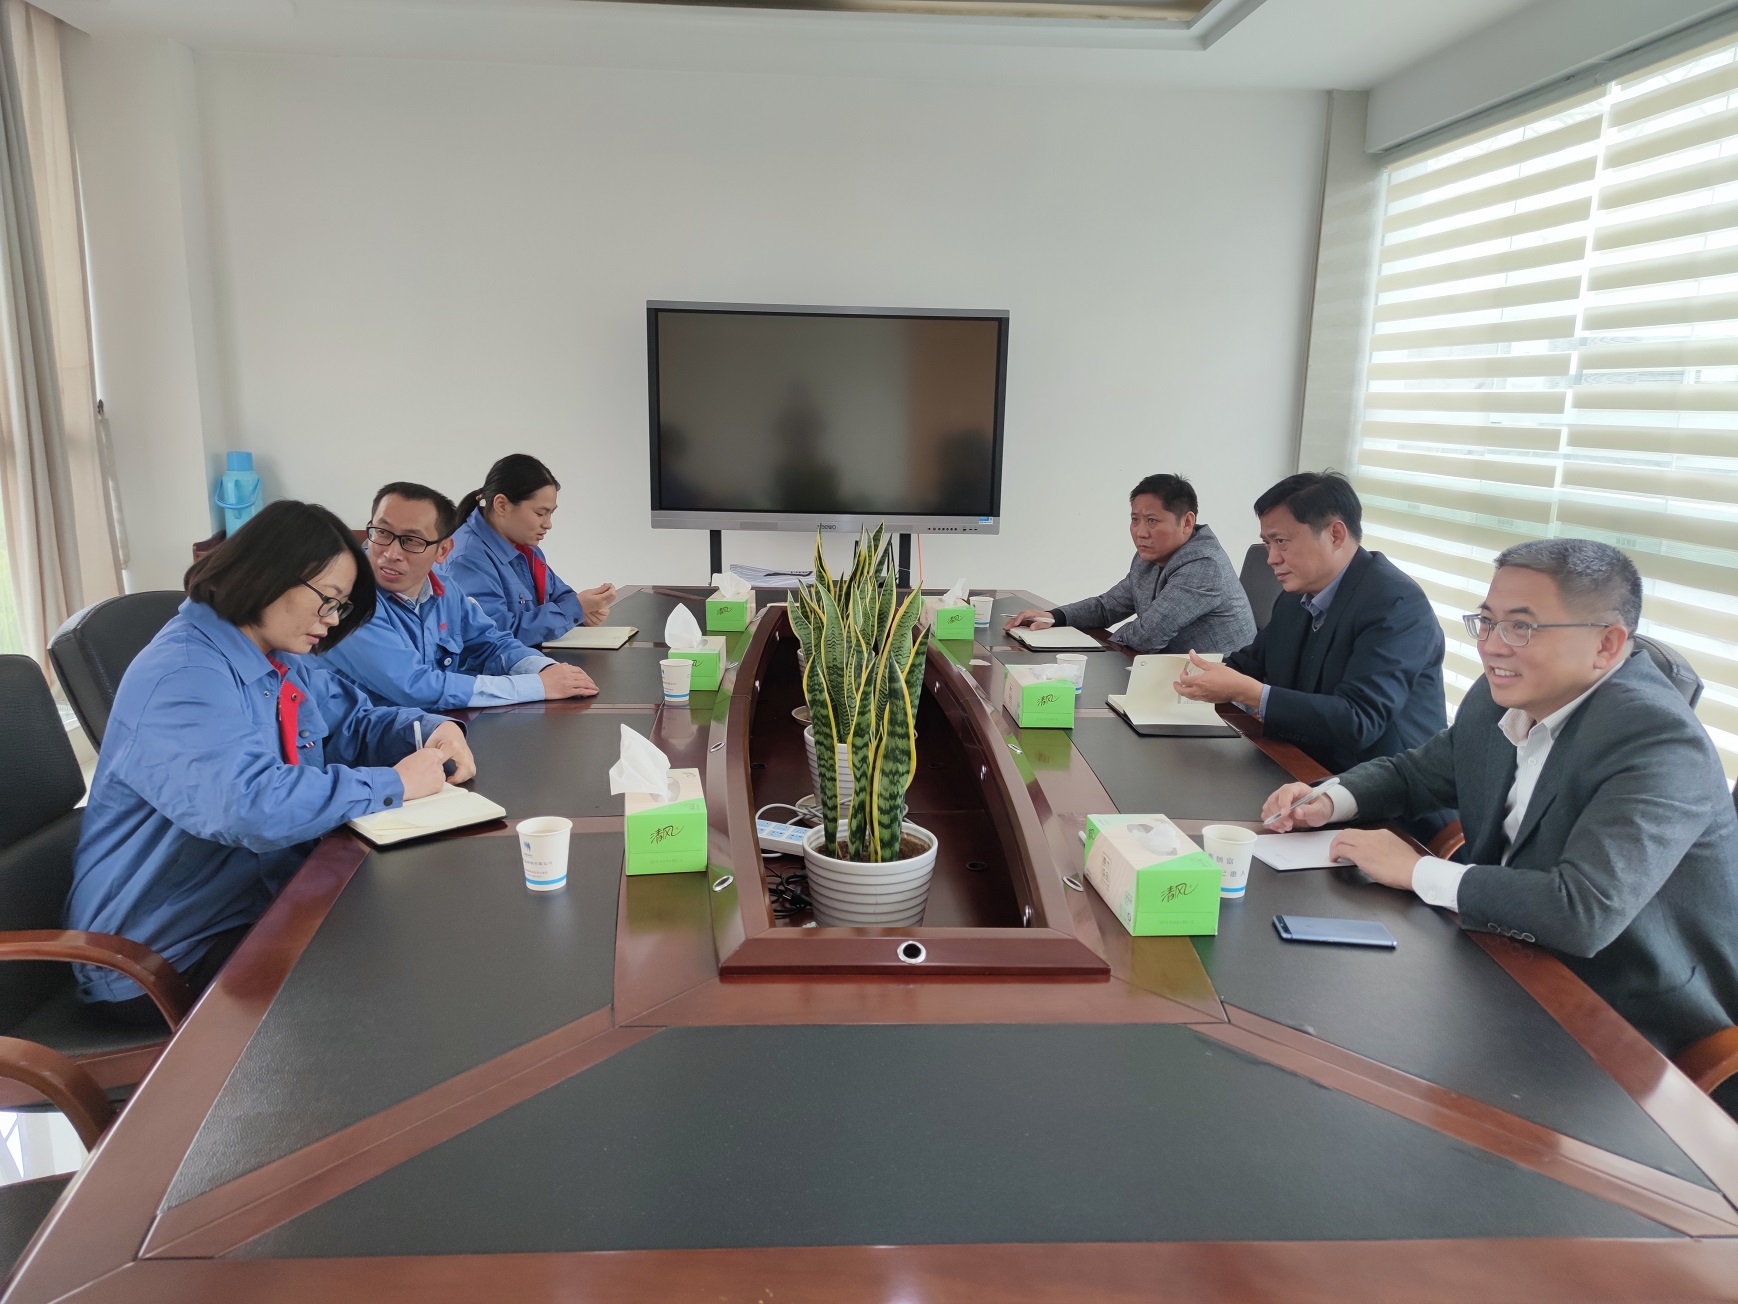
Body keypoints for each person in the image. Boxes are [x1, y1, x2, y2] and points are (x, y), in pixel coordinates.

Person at [1262, 539, 1738, 1104]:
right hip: (1502, 962)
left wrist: (1417, 872)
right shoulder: (1501, 697)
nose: (1490, 646)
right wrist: (1330, 798)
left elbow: (1581, 913)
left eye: (1521, 627)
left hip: (1628, 1028)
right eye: (1486, 622)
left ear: (1606, 644)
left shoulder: (1659, 742)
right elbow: (1416, 773)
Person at [66, 501, 477, 1024]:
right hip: (164, 955)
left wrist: (430, 729)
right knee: (394, 988)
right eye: (327, 600)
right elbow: (249, 806)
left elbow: (351, 721)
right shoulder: (182, 675)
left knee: (423, 926)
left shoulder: (272, 656)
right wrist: (393, 782)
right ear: (269, 575)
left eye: (340, 606)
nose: (332, 620)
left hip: (256, 904)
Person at [1174, 471, 1446, 777]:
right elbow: (1251, 663)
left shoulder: (1396, 603)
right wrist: (1182, 675)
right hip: (1301, 764)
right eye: (1267, 543)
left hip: (1380, 787)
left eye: (1281, 542)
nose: (1271, 558)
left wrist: (1251, 694)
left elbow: (1358, 720)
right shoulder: (1296, 597)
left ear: (1335, 535)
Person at [322, 482, 598, 711]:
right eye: (382, 533)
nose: (391, 553)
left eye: (412, 540)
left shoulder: (443, 588)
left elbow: (492, 643)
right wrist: (537, 686)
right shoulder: (349, 598)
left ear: (443, 550)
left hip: (429, 732)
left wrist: (546, 670)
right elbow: (415, 687)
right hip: (362, 750)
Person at [1003, 474, 1255, 655]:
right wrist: (1054, 617)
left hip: (1222, 702)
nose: (1141, 532)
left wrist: (1098, 645)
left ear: (1187, 522)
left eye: (1152, 521)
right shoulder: (1151, 556)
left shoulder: (1204, 565)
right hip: (1171, 681)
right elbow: (1107, 606)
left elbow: (1148, 635)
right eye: (1135, 520)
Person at [444, 454, 617, 645]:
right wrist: (575, 609)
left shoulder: (526, 549)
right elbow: (493, 635)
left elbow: (559, 595)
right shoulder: (467, 558)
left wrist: (586, 610)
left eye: (551, 513)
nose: (548, 524)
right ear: (501, 505)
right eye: (540, 513)